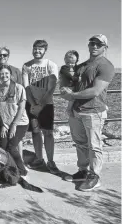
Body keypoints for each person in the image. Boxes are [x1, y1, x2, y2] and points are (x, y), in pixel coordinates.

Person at [61, 34, 115, 191]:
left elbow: (95, 91)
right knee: (80, 143)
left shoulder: (106, 66)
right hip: (77, 110)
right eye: (92, 43)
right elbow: (76, 85)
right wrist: (68, 98)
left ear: (105, 47)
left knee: (94, 145)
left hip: (94, 111)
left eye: (99, 44)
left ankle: (95, 176)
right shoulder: (82, 65)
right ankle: (83, 171)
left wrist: (71, 95)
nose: (95, 46)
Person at [22, 39, 60, 174]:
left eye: (40, 49)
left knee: (48, 133)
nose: (37, 51)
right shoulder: (26, 66)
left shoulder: (51, 65)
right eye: (35, 48)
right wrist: (33, 104)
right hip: (32, 104)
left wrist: (41, 105)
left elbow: (51, 88)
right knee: (36, 132)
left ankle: (51, 161)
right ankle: (39, 158)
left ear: (45, 50)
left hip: (47, 105)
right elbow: (26, 87)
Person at [0, 65, 29, 177]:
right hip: (6, 124)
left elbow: (22, 108)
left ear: (11, 74)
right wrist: (3, 125)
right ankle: (7, 170)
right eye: (2, 74)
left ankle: (22, 170)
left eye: (6, 73)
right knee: (3, 148)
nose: (4, 76)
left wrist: (14, 125)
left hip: (20, 123)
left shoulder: (19, 88)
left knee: (12, 147)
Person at [59, 50, 80, 117]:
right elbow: (70, 77)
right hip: (65, 88)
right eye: (68, 62)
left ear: (76, 61)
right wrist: (79, 78)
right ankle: (68, 109)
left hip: (72, 87)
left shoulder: (77, 68)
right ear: (64, 60)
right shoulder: (64, 68)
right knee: (73, 97)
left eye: (72, 63)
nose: (70, 65)